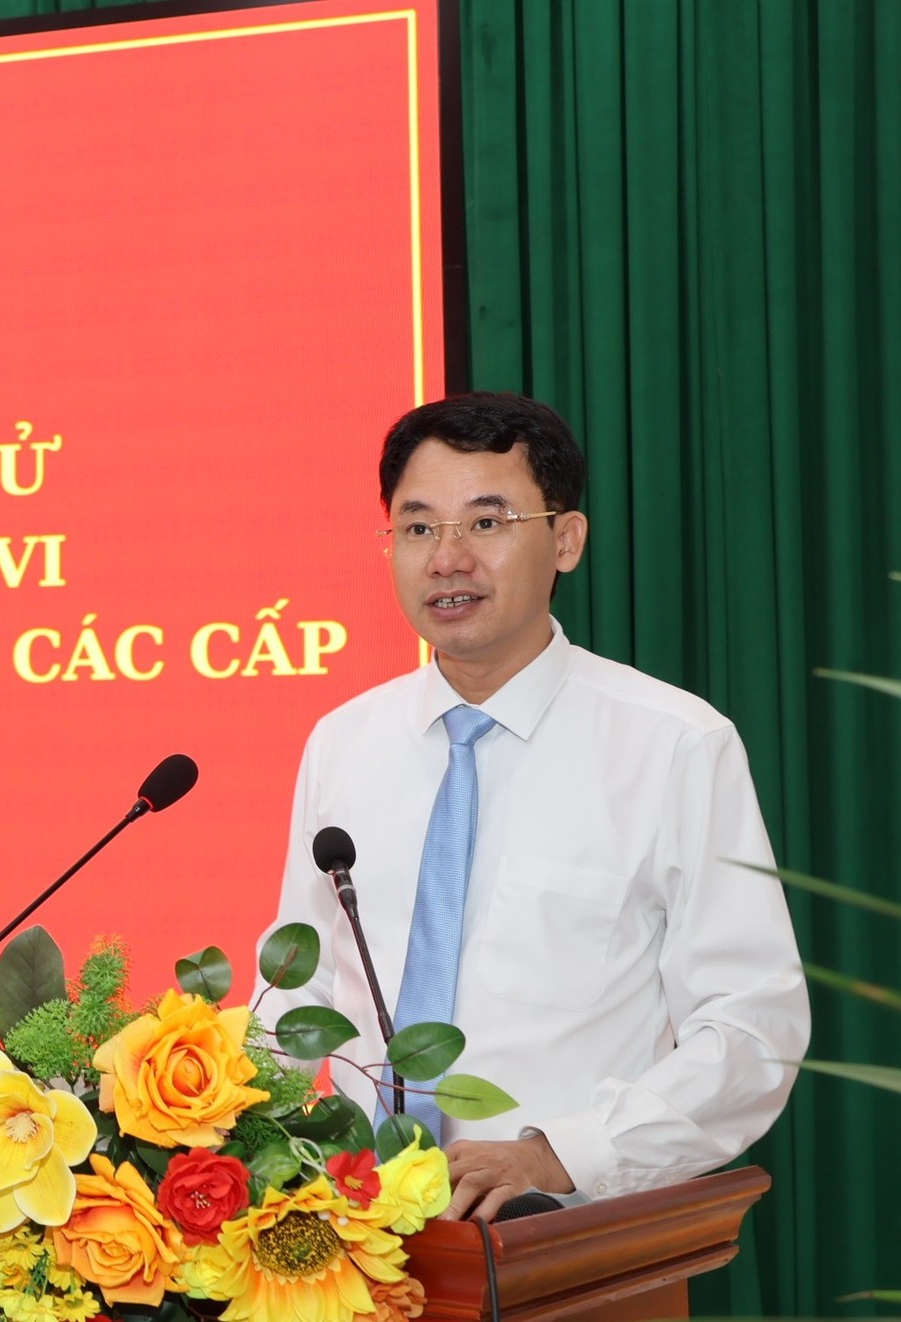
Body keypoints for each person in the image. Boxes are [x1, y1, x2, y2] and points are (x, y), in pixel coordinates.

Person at [257, 392, 809, 1221]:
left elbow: (752, 1028)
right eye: (418, 527)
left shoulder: (674, 745)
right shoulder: (344, 742)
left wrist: (560, 1153)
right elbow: (299, 992)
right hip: (360, 1233)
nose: (447, 559)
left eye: (487, 522)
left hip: (569, 1237)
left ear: (567, 540)